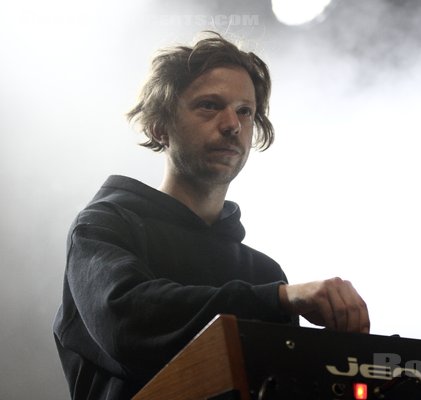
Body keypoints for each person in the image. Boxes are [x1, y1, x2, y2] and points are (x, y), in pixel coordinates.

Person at [53, 32, 369, 400]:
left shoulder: (263, 273)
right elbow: (128, 322)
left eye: (245, 111)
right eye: (209, 105)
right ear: (159, 126)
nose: (232, 124)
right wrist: (277, 300)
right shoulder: (104, 227)